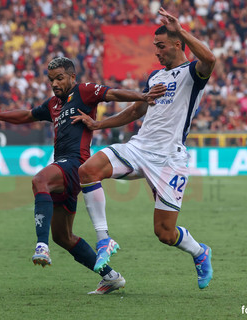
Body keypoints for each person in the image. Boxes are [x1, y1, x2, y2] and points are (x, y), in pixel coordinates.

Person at [0, 57, 166, 294]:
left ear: (72, 77)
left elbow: (113, 94)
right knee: (63, 236)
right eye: (51, 79)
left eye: (60, 78)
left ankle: (41, 246)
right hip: (63, 168)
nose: (54, 83)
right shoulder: (53, 104)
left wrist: (143, 96)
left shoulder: (84, 92)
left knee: (39, 180)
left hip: (77, 164)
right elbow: (27, 115)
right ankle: (110, 277)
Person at [72, 8, 216, 290]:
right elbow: (137, 109)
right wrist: (98, 125)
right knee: (88, 171)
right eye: (155, 47)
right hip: (139, 148)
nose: (157, 53)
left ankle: (200, 252)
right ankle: (104, 239)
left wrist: (181, 28)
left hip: (169, 159)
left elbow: (210, 58)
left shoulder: (192, 73)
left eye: (161, 47)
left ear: (177, 44)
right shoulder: (155, 77)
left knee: (164, 232)